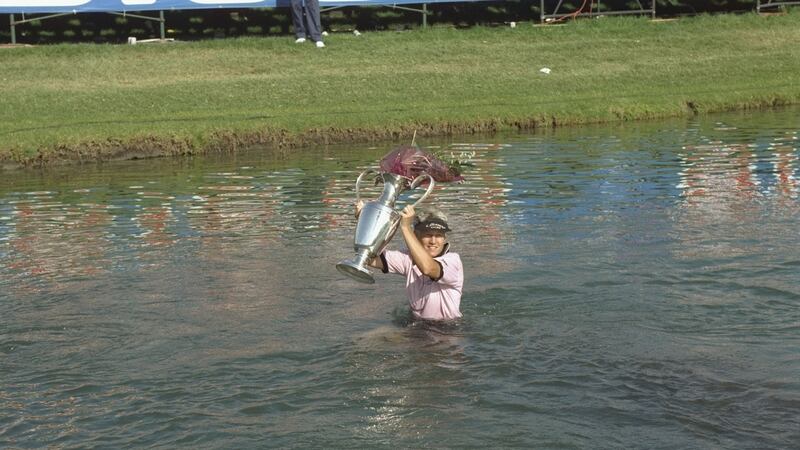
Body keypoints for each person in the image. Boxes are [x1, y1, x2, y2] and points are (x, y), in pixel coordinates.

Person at [356, 201, 464, 321]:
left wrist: (405, 227)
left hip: (447, 329)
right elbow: (368, 258)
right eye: (428, 235)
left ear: (444, 238)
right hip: (417, 326)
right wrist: (365, 222)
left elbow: (428, 268)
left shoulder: (453, 261)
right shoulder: (408, 258)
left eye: (438, 235)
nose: (433, 241)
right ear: (416, 235)